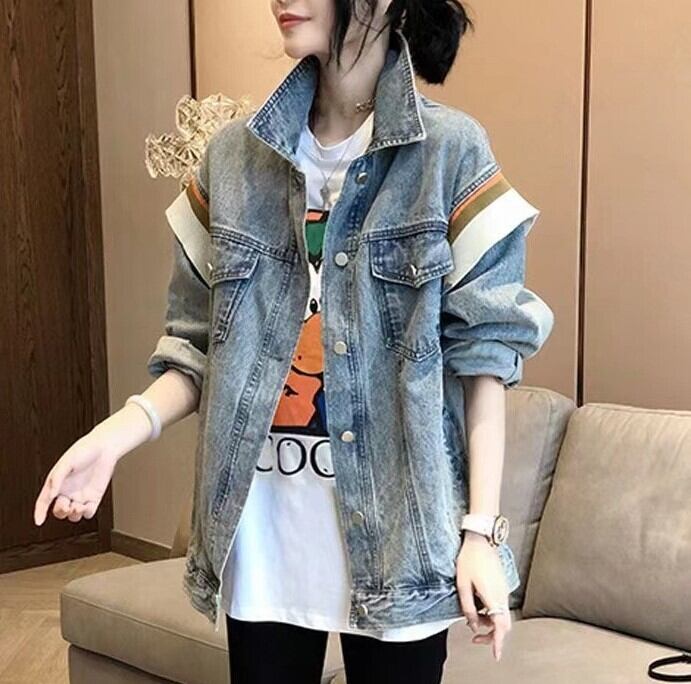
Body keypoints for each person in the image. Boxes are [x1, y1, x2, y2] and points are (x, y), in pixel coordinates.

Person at [34, 0, 554, 682]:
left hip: (399, 542)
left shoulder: (448, 153)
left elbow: (483, 359)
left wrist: (480, 532)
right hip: (263, 541)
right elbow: (195, 349)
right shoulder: (231, 159)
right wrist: (113, 438)